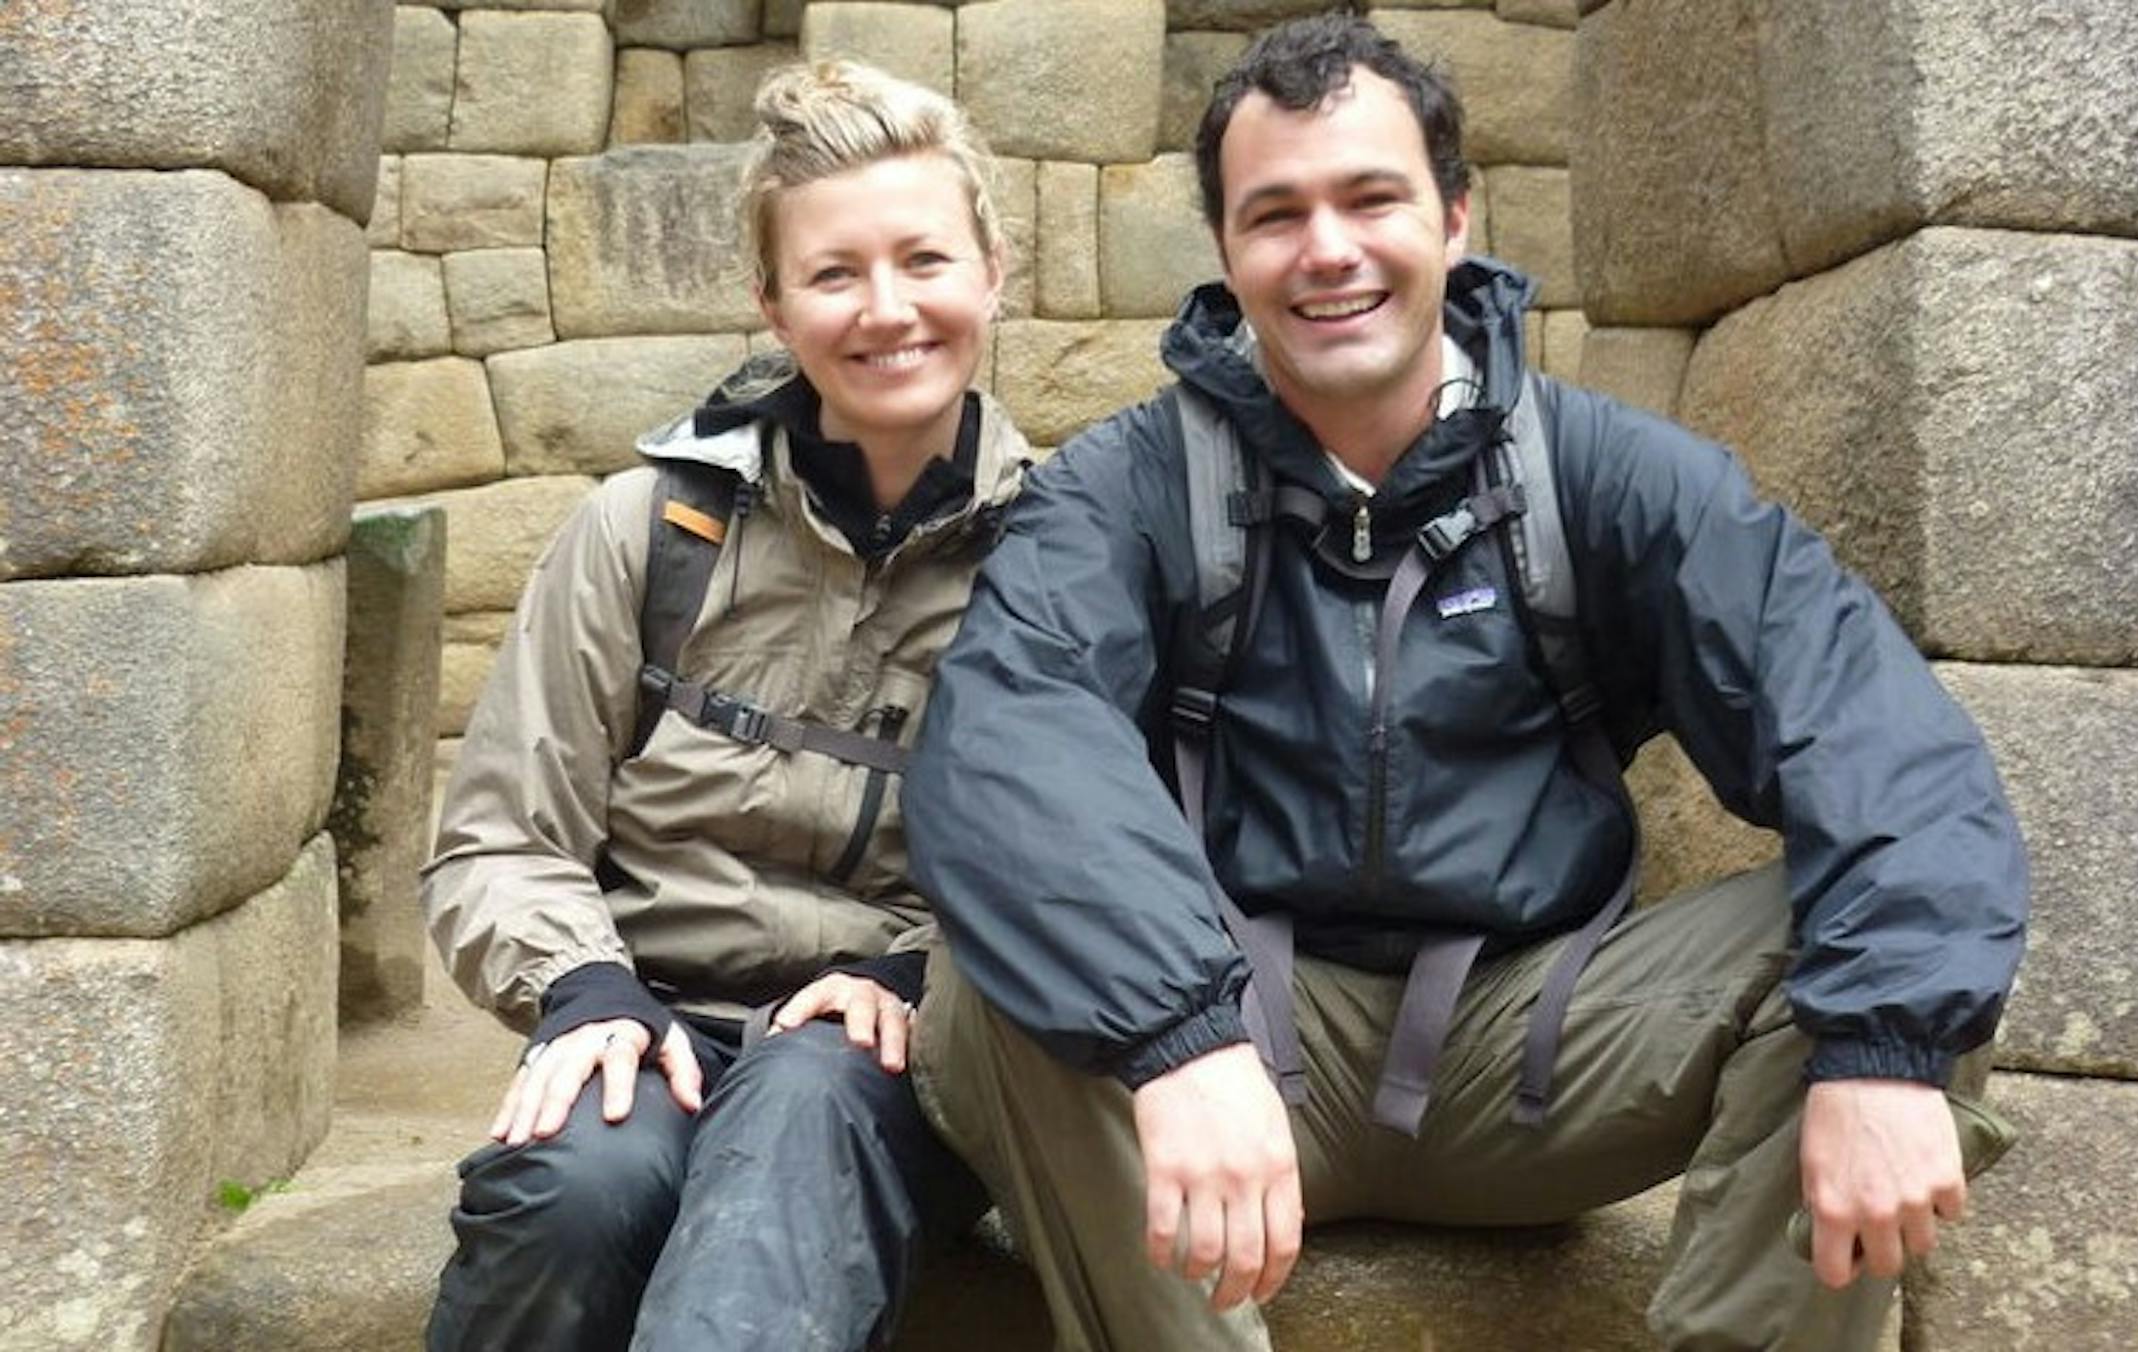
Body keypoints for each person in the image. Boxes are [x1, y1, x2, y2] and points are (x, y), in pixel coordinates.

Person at [900, 14, 2026, 1351]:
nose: (1327, 249)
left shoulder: (1604, 475)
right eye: (1276, 214)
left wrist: (1887, 1049)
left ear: (1453, 216)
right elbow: (1012, 745)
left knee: (1886, 938)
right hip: (1244, 1041)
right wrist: (1174, 1035)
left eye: (1370, 198)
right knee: (1003, 970)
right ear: (1226, 250)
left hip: (1537, 1058)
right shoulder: (1125, 489)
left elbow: (1877, 739)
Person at [420, 60, 1023, 1352]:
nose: (886, 310)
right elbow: (500, 837)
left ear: (993, 272)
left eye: (924, 260)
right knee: (573, 1193)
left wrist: (925, 977)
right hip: (648, 1015)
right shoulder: (645, 533)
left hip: (891, 1050)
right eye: (833, 273)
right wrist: (584, 987)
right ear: (773, 304)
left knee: (797, 1140)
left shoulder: (1060, 562)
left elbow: (1090, 868)